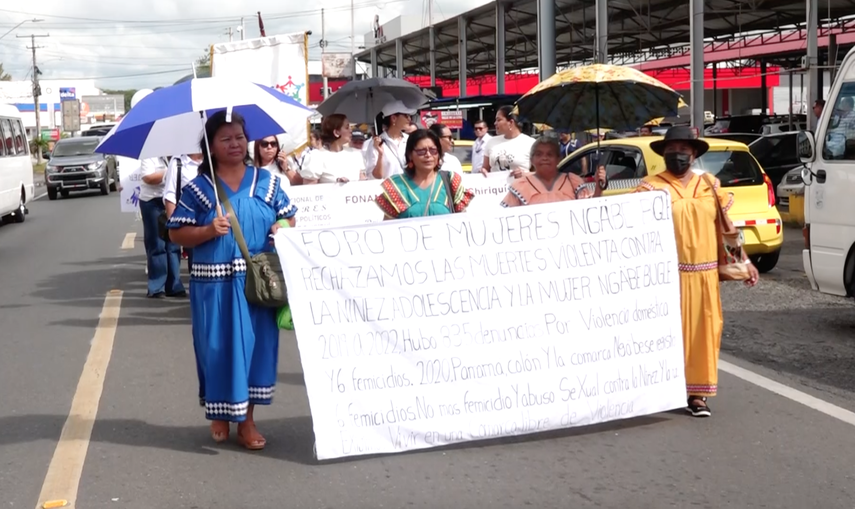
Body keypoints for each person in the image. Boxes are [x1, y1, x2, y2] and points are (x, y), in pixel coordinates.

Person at [167, 110, 297, 450]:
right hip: (214, 286)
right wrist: (208, 230)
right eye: (225, 139)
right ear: (210, 146)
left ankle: (247, 420)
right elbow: (177, 234)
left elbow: (290, 219)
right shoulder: (199, 189)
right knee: (217, 349)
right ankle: (220, 411)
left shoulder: (268, 183)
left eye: (239, 137)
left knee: (256, 350)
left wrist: (279, 227)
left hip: (258, 284)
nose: (235, 144)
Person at [636, 126, 759, 418]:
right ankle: (665, 390)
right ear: (663, 154)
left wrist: (745, 262)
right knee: (666, 335)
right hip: (667, 277)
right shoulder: (649, 188)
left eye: (682, 150)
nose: (676, 155)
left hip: (704, 275)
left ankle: (698, 395)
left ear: (693, 154)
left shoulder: (710, 185)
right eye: (671, 150)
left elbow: (725, 229)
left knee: (704, 333)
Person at [376, 129, 474, 220]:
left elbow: (462, 222)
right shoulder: (396, 186)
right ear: (410, 155)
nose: (428, 155)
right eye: (421, 151)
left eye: (433, 150)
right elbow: (388, 228)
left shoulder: (451, 181)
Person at [501, 135, 605, 207]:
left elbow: (590, 211)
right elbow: (504, 218)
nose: (544, 158)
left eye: (550, 154)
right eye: (539, 154)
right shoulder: (520, 186)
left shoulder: (573, 182)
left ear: (558, 159)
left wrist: (598, 188)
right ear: (532, 160)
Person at [139, 156, 186, 299]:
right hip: (153, 201)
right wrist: (170, 172)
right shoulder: (150, 155)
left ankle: (174, 285)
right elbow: (148, 177)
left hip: (173, 200)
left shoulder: (180, 156)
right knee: (157, 244)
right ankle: (156, 286)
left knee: (173, 244)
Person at [300, 114, 366, 184]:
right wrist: (335, 186)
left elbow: (363, 182)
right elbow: (309, 190)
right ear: (336, 132)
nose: (350, 130)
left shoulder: (355, 154)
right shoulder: (316, 156)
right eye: (347, 127)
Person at [164, 153, 203, 271]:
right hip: (190, 224)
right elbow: (170, 195)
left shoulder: (215, 158)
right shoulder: (177, 162)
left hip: (213, 220)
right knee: (197, 267)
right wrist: (174, 228)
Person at [480, 105, 535, 178]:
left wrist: (525, 174)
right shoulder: (491, 142)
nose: (495, 123)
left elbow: (540, 173)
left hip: (522, 187)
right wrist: (483, 171)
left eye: (498, 120)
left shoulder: (530, 143)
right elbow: (485, 168)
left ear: (510, 122)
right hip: (496, 188)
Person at [369, 101, 415, 179]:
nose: (409, 119)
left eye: (409, 116)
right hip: (387, 189)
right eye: (406, 116)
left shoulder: (410, 140)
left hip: (408, 188)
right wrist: (380, 154)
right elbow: (375, 176)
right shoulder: (376, 143)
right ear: (393, 118)